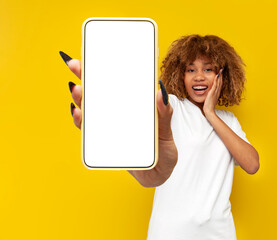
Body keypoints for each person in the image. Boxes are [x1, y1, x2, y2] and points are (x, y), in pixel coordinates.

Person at [60, 34, 259, 240]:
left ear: (222, 75)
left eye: (208, 69)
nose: (199, 76)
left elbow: (252, 165)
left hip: (219, 234)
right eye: (191, 70)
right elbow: (135, 107)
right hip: (170, 232)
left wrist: (210, 113)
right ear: (180, 75)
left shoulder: (229, 120)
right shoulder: (171, 106)